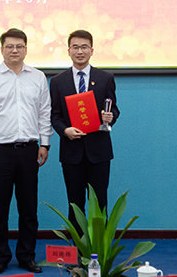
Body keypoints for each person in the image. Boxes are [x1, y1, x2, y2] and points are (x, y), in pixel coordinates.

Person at [0, 28, 52, 274]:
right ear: (2, 50)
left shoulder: (38, 77)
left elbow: (45, 112)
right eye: (9, 46)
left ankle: (27, 256)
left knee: (29, 207)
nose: (14, 50)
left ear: (26, 49)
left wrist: (45, 143)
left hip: (29, 150)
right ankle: (0, 257)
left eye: (19, 46)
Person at [49, 29, 120, 232]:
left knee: (100, 203)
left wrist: (110, 117)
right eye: (75, 47)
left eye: (84, 47)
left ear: (92, 50)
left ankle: (99, 248)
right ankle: (78, 249)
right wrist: (65, 130)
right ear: (68, 51)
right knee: (75, 204)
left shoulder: (105, 78)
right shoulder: (58, 81)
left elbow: (114, 109)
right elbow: (55, 115)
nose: (80, 51)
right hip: (72, 152)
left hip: (99, 151)